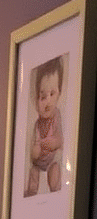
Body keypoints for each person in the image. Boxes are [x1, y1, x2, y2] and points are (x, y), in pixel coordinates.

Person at [25, 55, 64, 195]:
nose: (47, 102)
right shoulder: (36, 125)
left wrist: (52, 143)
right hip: (39, 162)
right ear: (35, 101)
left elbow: (60, 140)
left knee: (54, 172)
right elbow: (33, 152)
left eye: (52, 94)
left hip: (51, 160)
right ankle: (31, 192)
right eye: (42, 97)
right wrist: (36, 151)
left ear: (59, 93)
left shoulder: (57, 116)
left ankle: (55, 191)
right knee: (33, 173)